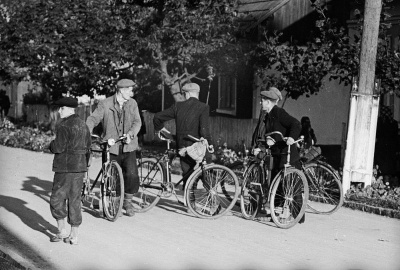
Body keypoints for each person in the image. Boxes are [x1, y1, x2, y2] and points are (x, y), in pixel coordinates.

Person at [86, 79, 142, 217]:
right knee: (113, 176)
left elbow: (137, 121)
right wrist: (86, 131)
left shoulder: (132, 103)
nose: (131, 92)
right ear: (121, 90)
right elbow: (93, 119)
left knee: (132, 175)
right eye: (129, 90)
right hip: (111, 146)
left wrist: (131, 133)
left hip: (129, 145)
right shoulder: (105, 104)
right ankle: (114, 202)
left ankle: (127, 202)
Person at [251, 86, 305, 223]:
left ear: (268, 102)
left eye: (262, 100)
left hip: (287, 153)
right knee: (277, 183)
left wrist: (292, 137)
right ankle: (277, 212)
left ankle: (297, 215)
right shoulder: (268, 116)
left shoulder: (279, 113)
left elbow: (296, 124)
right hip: (277, 154)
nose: (260, 103)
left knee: (290, 184)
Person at [153, 82, 213, 190]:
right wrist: (210, 143)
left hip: (182, 146)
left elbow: (157, 117)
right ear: (197, 93)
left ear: (187, 94)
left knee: (187, 174)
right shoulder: (203, 107)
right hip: (196, 147)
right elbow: (204, 130)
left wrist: (163, 131)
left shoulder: (178, 106)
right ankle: (212, 201)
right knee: (205, 174)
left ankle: (189, 202)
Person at [49, 97, 91, 245]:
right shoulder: (83, 125)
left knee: (57, 198)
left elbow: (58, 147)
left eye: (61, 108)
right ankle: (74, 236)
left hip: (65, 168)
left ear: (68, 109)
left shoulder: (63, 126)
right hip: (79, 168)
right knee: (75, 200)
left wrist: (51, 145)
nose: (59, 110)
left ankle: (61, 231)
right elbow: (88, 148)